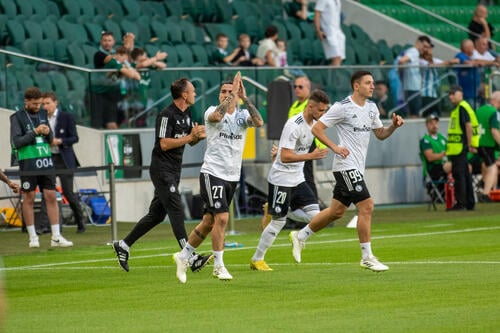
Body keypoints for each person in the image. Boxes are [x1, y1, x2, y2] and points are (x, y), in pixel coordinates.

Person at [289, 70, 404, 272]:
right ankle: (367, 256)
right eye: (368, 82)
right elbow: (317, 129)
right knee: (367, 206)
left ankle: (301, 235)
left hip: (357, 167)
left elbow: (380, 134)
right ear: (356, 86)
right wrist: (335, 147)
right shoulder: (342, 107)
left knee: (336, 212)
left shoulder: (371, 108)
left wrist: (393, 126)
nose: (372, 86)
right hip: (345, 166)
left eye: (373, 82)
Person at [112, 78, 211, 273]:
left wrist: (196, 138)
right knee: (176, 209)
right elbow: (164, 144)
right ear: (184, 94)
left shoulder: (188, 113)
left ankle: (123, 245)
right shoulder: (166, 115)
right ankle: (189, 257)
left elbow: (186, 142)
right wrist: (190, 137)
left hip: (174, 169)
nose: (195, 94)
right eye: (192, 91)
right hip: (161, 169)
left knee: (156, 215)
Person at [173, 72, 264, 283]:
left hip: (232, 176)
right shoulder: (212, 112)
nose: (226, 95)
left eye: (229, 91)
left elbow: (258, 121)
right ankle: (218, 266)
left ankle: (183, 256)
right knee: (222, 218)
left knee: (208, 222)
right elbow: (217, 118)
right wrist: (233, 94)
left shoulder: (241, 116)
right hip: (212, 172)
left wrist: (245, 97)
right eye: (223, 92)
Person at [250, 90, 330, 271]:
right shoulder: (294, 124)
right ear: (310, 107)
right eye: (321, 111)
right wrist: (311, 155)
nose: (323, 114)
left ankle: (294, 231)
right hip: (282, 179)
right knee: (278, 221)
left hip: (298, 178)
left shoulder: (315, 124)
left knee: (317, 218)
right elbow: (285, 157)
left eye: (325, 111)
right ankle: (257, 259)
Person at [9, 87, 73, 248]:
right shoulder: (17, 117)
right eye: (35, 104)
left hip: (45, 161)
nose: (38, 107)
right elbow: (16, 142)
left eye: (40, 104)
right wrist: (36, 132)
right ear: (27, 102)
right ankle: (33, 237)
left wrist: (47, 133)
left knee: (51, 195)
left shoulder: (44, 114)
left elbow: (50, 139)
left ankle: (56, 236)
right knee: (29, 198)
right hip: (28, 162)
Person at [41, 92, 86, 233]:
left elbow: (74, 138)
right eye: (43, 103)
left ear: (55, 103)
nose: (45, 106)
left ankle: (80, 222)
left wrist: (59, 141)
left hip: (64, 160)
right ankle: (46, 226)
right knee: (48, 192)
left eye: (48, 103)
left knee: (68, 193)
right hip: (49, 159)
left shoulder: (66, 117)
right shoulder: (41, 119)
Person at [91, 46, 141, 129]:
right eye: (120, 55)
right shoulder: (110, 61)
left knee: (112, 124)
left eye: (125, 56)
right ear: (117, 55)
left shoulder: (123, 63)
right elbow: (131, 74)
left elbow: (138, 76)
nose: (123, 58)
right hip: (97, 93)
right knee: (97, 124)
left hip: (111, 94)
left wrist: (126, 67)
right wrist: (125, 68)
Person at [446, 84, 478, 211]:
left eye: (453, 93)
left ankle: (461, 203)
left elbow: (468, 126)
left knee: (459, 176)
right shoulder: (461, 108)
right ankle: (469, 202)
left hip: (460, 148)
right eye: (450, 94)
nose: (450, 96)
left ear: (460, 94)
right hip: (460, 148)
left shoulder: (462, 108)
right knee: (465, 175)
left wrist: (469, 145)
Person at [398, 35, 433, 118]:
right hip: (413, 88)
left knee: (414, 113)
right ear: (418, 43)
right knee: (415, 114)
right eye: (424, 46)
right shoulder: (414, 51)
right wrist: (400, 74)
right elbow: (401, 61)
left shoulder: (413, 52)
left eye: (427, 47)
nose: (424, 49)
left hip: (411, 87)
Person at [420, 45, 459, 117]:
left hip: (434, 94)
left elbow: (444, 63)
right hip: (425, 94)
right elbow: (432, 65)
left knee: (437, 115)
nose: (430, 51)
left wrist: (451, 61)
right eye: (428, 49)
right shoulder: (421, 61)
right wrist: (449, 61)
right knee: (428, 116)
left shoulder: (433, 60)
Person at [475, 90, 500, 201]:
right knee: (493, 168)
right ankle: (485, 194)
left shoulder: (479, 110)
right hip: (487, 144)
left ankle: (484, 189)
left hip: (478, 143)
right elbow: (494, 131)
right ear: (497, 101)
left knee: (486, 166)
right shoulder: (493, 112)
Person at [130, 47, 167, 112]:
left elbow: (163, 66)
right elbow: (143, 64)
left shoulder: (148, 64)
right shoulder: (134, 64)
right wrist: (156, 58)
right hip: (135, 91)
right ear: (139, 56)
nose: (146, 57)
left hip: (145, 90)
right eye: (144, 55)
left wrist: (152, 61)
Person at [419, 114, 452, 184]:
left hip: (445, 165)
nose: (434, 125)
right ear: (426, 125)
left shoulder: (443, 138)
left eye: (436, 123)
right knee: (453, 165)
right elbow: (430, 157)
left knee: (464, 165)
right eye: (431, 123)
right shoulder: (425, 140)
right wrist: (444, 153)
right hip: (433, 168)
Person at [314, 0, 345, 66]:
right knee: (336, 58)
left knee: (339, 59)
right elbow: (317, 13)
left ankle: (330, 75)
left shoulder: (338, 1)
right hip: (328, 32)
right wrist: (318, 30)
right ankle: (332, 75)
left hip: (338, 32)